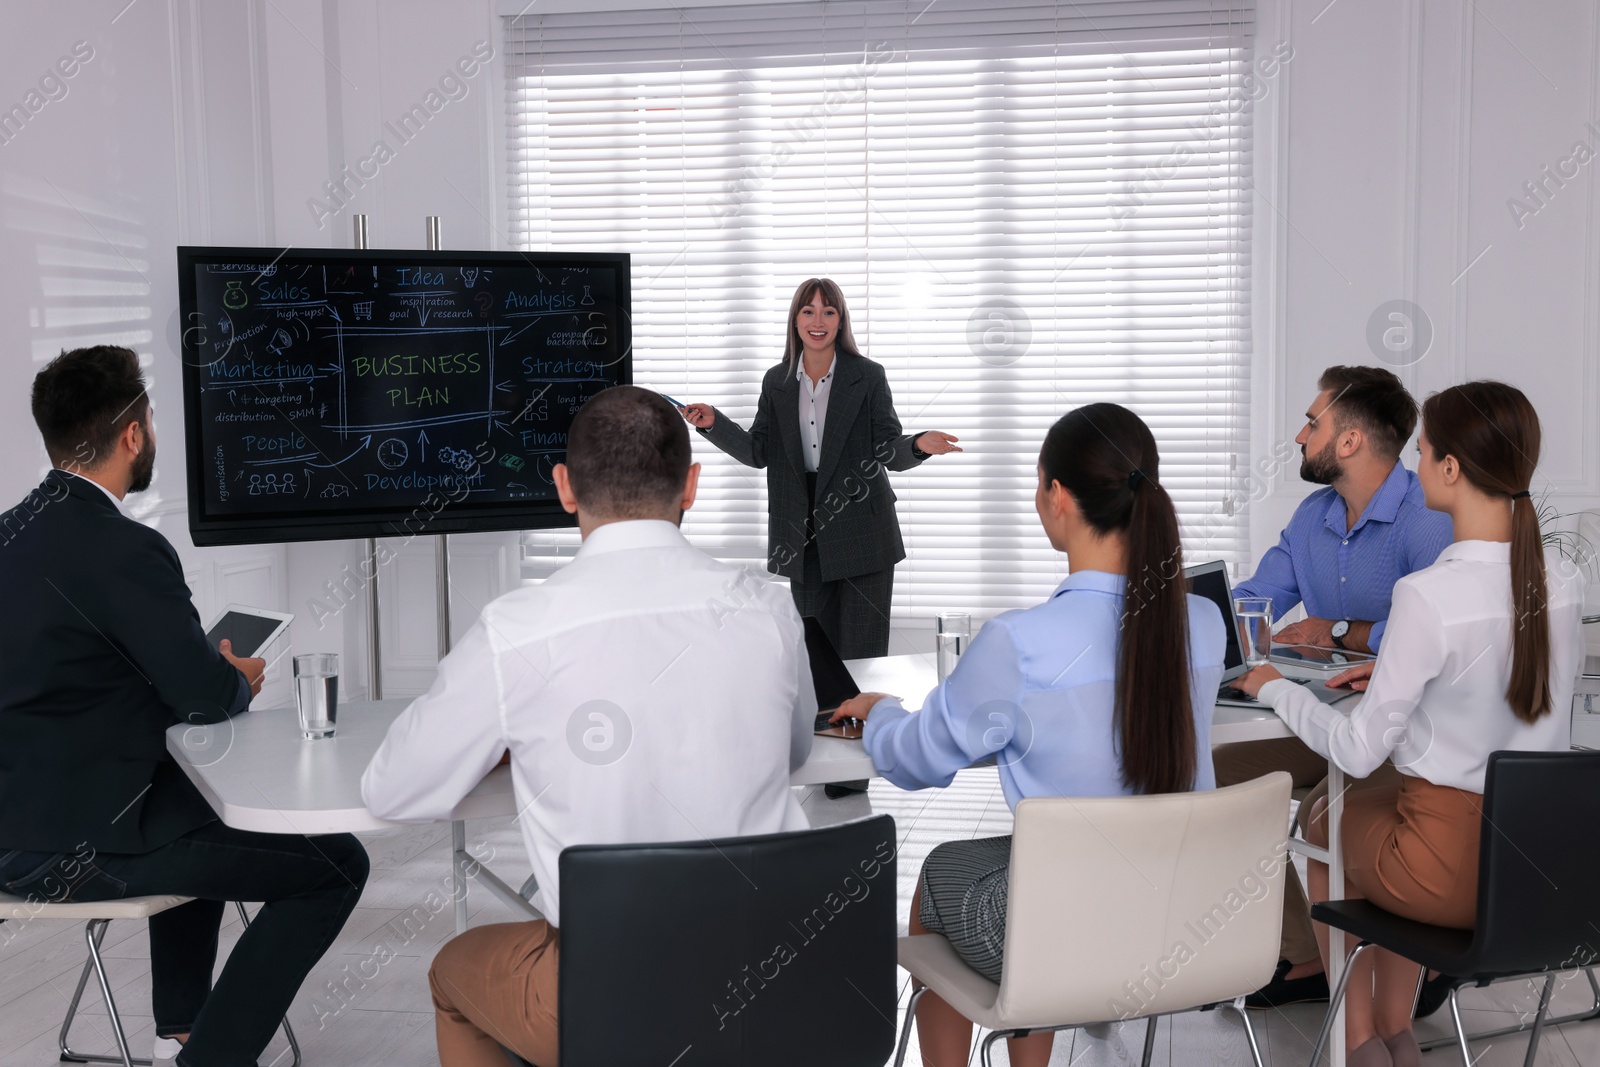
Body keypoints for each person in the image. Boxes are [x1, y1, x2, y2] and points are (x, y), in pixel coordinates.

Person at [361, 386, 816, 1067]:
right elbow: (795, 746)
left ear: (565, 488)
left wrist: (510, 739)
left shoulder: (517, 631)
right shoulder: (768, 607)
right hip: (779, 976)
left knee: (455, 974)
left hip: (619, 994)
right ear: (692, 486)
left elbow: (390, 791)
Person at [0, 346, 370, 1067]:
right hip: (89, 849)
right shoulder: (125, 548)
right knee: (337, 864)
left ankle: (185, 1021)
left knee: (203, 809)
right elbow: (204, 701)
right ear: (133, 434)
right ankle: (214, 1057)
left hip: (13, 839)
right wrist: (233, 678)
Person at [830, 403, 1226, 1067]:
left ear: (1057, 494)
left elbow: (919, 758)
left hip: (1068, 938)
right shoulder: (1205, 623)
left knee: (941, 874)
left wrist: (880, 713)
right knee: (1019, 869)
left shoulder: (1020, 643)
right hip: (1184, 925)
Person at [1236, 380, 1584, 1067]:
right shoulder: (1563, 579)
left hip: (1446, 871)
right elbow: (1493, 685)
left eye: (1423, 453)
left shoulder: (1427, 594)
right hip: (1537, 872)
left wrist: (1276, 689)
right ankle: (1397, 1029)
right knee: (1365, 810)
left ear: (1451, 469)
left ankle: (1360, 1036)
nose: (1415, 465)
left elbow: (1358, 750)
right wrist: (1403, 674)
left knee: (1326, 815)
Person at [1216, 365, 1452, 1008]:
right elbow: (1255, 602)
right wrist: (1194, 624)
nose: (1299, 435)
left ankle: (1410, 969)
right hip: (1328, 723)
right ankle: (1303, 958)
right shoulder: (1313, 515)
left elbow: (1440, 633)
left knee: (1331, 802)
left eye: (1312, 422)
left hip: (1406, 740)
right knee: (1211, 777)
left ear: (1348, 441)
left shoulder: (1427, 520)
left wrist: (1344, 629)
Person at [681, 278, 961, 659]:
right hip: (802, 535)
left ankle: (867, 723)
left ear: (841, 321)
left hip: (864, 533)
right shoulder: (776, 381)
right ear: (795, 320)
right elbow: (758, 452)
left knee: (865, 660)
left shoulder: (868, 375)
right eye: (809, 310)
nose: (819, 320)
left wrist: (916, 445)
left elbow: (887, 449)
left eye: (829, 311)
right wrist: (714, 424)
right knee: (817, 664)